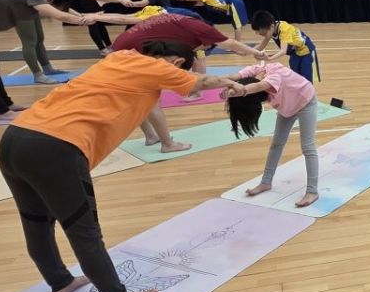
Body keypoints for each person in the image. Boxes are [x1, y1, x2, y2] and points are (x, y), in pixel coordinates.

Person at [0, 41, 240, 292]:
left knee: (36, 221)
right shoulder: (158, 68)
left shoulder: (121, 58)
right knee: (84, 231)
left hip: (15, 137)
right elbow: (202, 81)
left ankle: (60, 282)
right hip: (56, 149)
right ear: (176, 63)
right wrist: (234, 82)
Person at [109, 13, 268, 149]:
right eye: (205, 48)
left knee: (138, 94)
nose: (202, 50)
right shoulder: (205, 30)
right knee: (151, 97)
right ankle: (168, 144)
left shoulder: (181, 22)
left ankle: (151, 136)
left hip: (121, 47)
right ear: (207, 40)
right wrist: (256, 52)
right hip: (132, 50)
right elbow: (230, 44)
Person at [225, 62, 322, 208]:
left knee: (308, 147)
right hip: (287, 106)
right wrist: (225, 84)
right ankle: (266, 182)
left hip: (305, 102)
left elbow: (258, 86)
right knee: (276, 143)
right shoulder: (257, 70)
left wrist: (240, 91)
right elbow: (235, 76)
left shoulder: (274, 77)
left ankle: (312, 191)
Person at [251, 11, 319, 82]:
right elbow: (261, 46)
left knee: (306, 80)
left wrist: (269, 58)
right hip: (294, 53)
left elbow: (283, 50)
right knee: (295, 78)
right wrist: (250, 52)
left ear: (271, 27)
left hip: (306, 51)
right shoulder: (271, 28)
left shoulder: (284, 29)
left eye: (263, 33)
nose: (262, 35)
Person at [15, 17, 70, 85]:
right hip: (19, 12)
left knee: (39, 38)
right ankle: (38, 75)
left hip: (32, 10)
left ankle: (48, 69)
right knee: (29, 41)